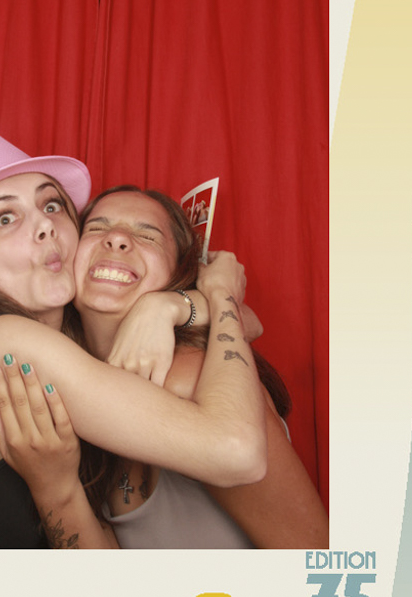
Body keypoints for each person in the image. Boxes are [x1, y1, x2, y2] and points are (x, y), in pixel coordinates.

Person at [0, 134, 266, 548]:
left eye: (51, 205)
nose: (44, 225)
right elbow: (239, 453)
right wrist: (220, 292)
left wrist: (165, 307)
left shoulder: (71, 341)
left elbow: (250, 323)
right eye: (5, 218)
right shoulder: (4, 340)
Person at [49, 185, 328, 548]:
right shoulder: (73, 374)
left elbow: (313, 551)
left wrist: (175, 304)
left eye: (147, 235)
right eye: (97, 228)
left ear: (178, 273)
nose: (116, 238)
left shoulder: (190, 380)